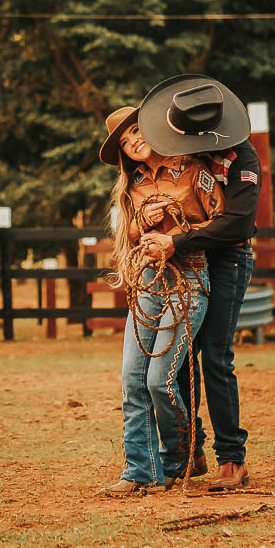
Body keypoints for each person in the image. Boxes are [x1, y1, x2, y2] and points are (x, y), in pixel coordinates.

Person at [138, 75, 260, 491]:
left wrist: (177, 240)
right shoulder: (182, 155)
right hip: (187, 258)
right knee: (183, 355)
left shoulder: (242, 159)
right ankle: (192, 448)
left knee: (216, 357)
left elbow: (237, 223)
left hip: (226, 259)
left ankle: (232, 458)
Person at [98, 105, 225, 496]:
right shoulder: (132, 184)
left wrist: (178, 232)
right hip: (149, 280)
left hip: (188, 276)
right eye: (125, 141)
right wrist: (142, 224)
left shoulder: (192, 170)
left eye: (136, 131)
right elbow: (129, 234)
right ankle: (139, 470)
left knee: (160, 380)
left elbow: (222, 224)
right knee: (132, 380)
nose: (134, 142)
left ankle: (180, 457)